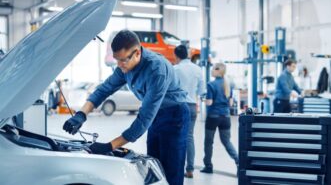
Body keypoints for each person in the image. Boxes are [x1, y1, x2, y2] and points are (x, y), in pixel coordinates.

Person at [62, 30, 190, 185]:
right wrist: (81, 114)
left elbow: (143, 120)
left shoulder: (157, 70)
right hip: (156, 116)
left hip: (175, 116)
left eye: (122, 60)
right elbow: (104, 89)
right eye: (117, 60)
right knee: (155, 168)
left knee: (172, 171)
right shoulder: (125, 66)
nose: (119, 65)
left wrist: (110, 146)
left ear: (137, 53)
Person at [200, 63, 239, 174]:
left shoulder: (211, 84)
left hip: (213, 117)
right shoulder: (228, 84)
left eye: (213, 69)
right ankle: (239, 161)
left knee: (208, 142)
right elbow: (231, 103)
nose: (212, 71)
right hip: (225, 117)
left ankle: (208, 166)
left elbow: (209, 102)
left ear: (217, 71)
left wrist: (203, 99)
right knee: (226, 141)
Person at [173, 45, 205, 178]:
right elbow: (202, 92)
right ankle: (190, 169)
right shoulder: (198, 69)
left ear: (176, 56)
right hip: (193, 106)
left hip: (179, 105)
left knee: (176, 137)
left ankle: (177, 168)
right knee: (189, 137)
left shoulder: (175, 69)